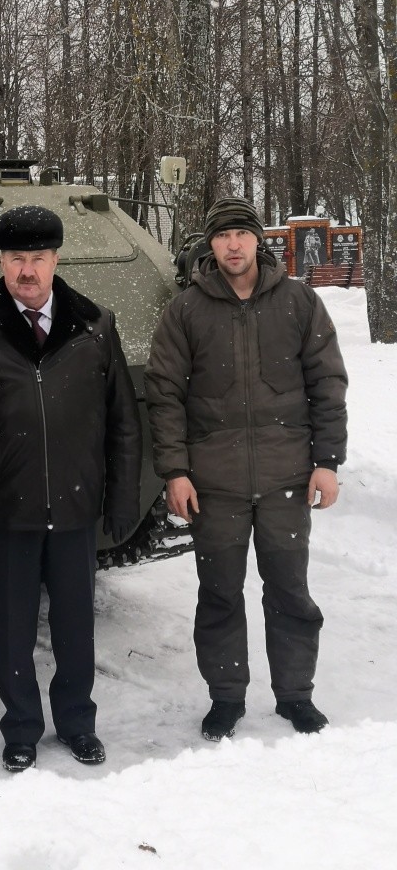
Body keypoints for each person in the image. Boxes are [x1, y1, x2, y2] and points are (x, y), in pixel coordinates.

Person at [0, 204, 142, 772]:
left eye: (39, 258)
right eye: (16, 258)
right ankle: (21, 726)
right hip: (9, 507)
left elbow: (122, 420)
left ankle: (77, 721)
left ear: (56, 260)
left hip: (75, 505)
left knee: (76, 625)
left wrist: (122, 496)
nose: (28, 270)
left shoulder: (96, 325)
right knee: (12, 629)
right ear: (0, 261)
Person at [145, 196, 347, 741]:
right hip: (215, 484)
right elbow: (163, 394)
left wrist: (326, 462)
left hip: (286, 477)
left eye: (242, 233)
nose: (233, 244)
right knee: (219, 594)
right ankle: (226, 698)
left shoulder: (299, 303)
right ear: (209, 245)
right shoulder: (186, 310)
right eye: (222, 235)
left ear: (259, 240)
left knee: (290, 593)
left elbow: (327, 384)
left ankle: (295, 696)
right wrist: (175, 471)